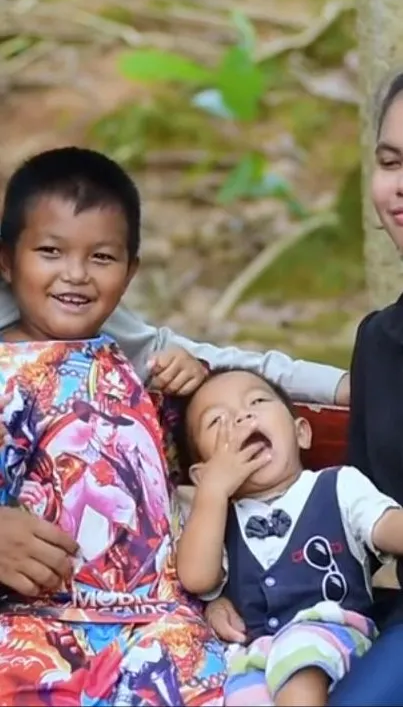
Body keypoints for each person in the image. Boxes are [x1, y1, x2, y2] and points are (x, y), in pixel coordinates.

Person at [0, 146, 226, 706]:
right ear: (6, 261)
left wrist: (194, 386)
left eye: (102, 257)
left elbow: (173, 474)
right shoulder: (6, 373)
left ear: (130, 272)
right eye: (50, 251)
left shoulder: (134, 367)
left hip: (161, 628)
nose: (75, 274)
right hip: (34, 627)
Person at [206, 71, 403, 707]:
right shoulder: (381, 342)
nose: (399, 186)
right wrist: (240, 594)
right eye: (390, 161)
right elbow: (362, 528)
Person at [176, 367, 403, 707]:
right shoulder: (217, 520)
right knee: (239, 695)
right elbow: (196, 577)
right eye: (217, 420)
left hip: (333, 634)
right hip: (259, 653)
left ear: (301, 433)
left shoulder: (339, 485)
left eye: (257, 401)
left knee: (300, 664)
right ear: (202, 473)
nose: (242, 417)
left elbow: (386, 526)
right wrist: (212, 493)